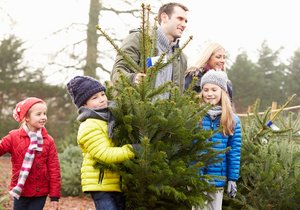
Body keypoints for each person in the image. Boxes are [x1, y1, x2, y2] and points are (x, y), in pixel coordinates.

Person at [66, 75, 138, 210]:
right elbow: (104, 154)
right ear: (84, 104)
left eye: (102, 94)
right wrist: (133, 149)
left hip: (115, 182)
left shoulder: (110, 118)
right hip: (101, 184)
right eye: (95, 98)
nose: (102, 100)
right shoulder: (89, 125)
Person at [111, 2, 189, 98]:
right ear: (164, 17)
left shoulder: (181, 58)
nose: (184, 24)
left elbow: (178, 96)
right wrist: (133, 79)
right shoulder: (138, 39)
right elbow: (118, 71)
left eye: (186, 21)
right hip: (136, 111)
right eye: (180, 19)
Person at [0, 97, 61, 210]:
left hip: (40, 192)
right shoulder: (14, 137)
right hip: (20, 191)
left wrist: (54, 197)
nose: (43, 117)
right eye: (38, 114)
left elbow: (54, 170)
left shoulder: (48, 140)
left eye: (44, 113)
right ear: (27, 118)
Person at [193, 70, 242, 210]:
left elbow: (234, 153)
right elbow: (189, 148)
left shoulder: (232, 120)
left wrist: (232, 179)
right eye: (205, 89)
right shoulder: (196, 116)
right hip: (197, 180)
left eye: (214, 89)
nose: (209, 93)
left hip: (217, 181)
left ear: (223, 92)